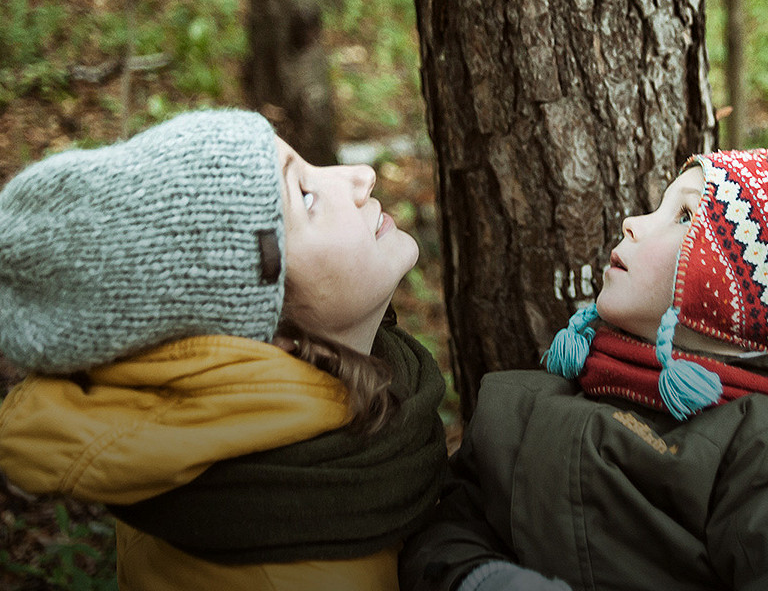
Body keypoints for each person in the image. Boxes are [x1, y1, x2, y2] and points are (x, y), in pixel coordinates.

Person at [398, 148, 768, 591]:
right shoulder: (530, 398)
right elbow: (445, 530)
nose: (634, 221)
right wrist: (484, 578)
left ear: (735, 299)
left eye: (683, 216)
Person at [0, 110, 448, 590]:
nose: (361, 177)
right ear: (267, 333)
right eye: (305, 195)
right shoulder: (284, 574)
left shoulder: (214, 447)